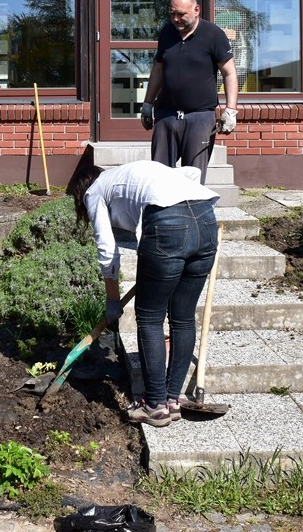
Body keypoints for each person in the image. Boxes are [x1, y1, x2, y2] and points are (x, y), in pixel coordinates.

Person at [67, 157, 220, 427]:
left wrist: (112, 299)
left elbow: (107, 250)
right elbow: (192, 173)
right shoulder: (131, 174)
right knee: (183, 317)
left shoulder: (94, 190)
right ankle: (172, 401)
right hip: (206, 221)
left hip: (167, 226)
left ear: (82, 189)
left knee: (150, 317)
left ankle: (155, 406)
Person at [140, 0, 239, 182]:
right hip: (166, 115)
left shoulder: (213, 35)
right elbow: (158, 70)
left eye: (181, 14)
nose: (175, 19)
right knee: (159, 178)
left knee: (193, 178)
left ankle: (192, 203)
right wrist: (147, 103)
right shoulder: (167, 33)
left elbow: (230, 73)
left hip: (200, 117)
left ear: (196, 10)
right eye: (172, 14)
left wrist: (231, 110)